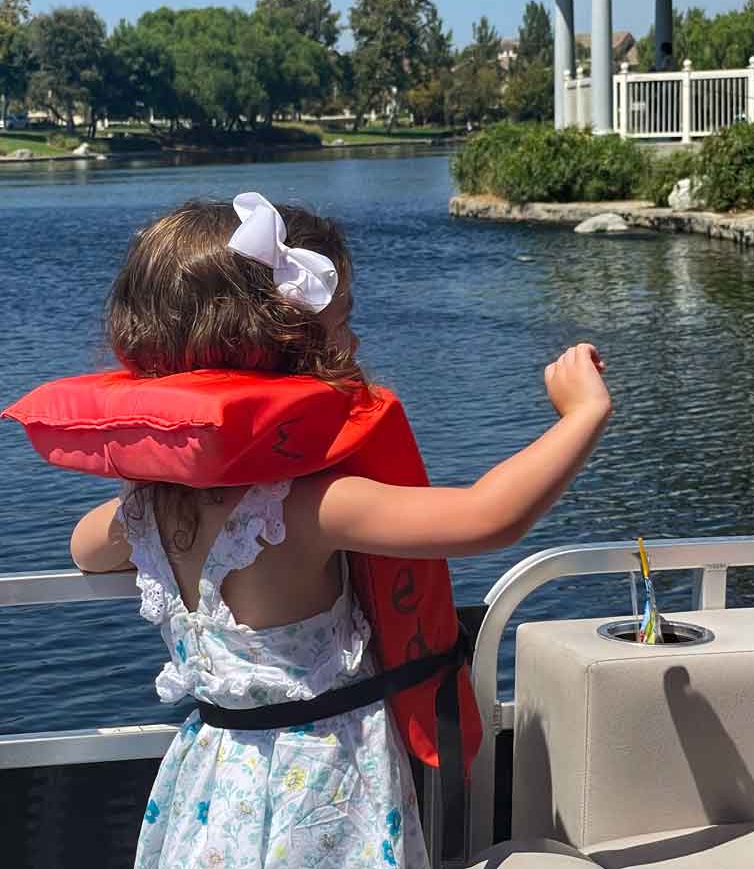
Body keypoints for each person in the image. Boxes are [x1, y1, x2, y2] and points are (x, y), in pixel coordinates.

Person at [69, 193, 612, 869]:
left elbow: (85, 550)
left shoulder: (146, 514)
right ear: (282, 350)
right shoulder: (309, 507)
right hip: (320, 785)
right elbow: (485, 517)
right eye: (343, 323)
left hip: (211, 781)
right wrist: (581, 415)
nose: (354, 344)